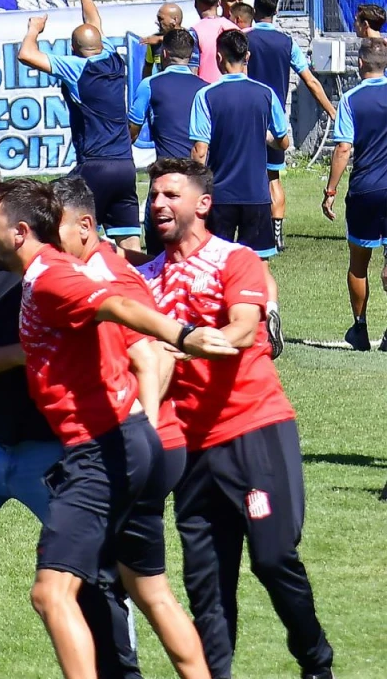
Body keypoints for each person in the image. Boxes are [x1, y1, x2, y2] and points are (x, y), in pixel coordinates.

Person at [0, 179, 231, 679]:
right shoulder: (59, 269)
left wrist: (181, 333)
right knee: (150, 589)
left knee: (51, 594)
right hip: (128, 441)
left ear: (21, 232)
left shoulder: (52, 278)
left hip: (101, 450)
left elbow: (119, 308)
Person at [0, 148, 140, 679]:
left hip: (54, 447)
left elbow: (112, 305)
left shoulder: (45, 255)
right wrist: (29, 349)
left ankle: (121, 671)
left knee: (97, 572)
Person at [136, 158, 335, 679]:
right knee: (207, 584)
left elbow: (244, 329)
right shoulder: (144, 280)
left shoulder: (235, 259)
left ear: (202, 204)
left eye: (171, 195)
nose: (158, 203)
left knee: (271, 559)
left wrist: (177, 347)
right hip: (192, 449)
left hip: (253, 431)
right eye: (154, 194)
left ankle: (315, 660)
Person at [51, 175, 208, 679]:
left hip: (137, 447)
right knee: (147, 589)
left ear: (85, 226)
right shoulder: (89, 271)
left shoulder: (108, 279)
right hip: (145, 447)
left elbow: (154, 355)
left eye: (50, 233)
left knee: (70, 586)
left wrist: (145, 426)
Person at [18, 0, 142, 251]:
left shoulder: (76, 67)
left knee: (63, 228)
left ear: (74, 49)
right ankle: (139, 285)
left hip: (95, 164)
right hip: (125, 165)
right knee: (131, 242)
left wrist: (33, 30)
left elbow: (27, 54)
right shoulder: (113, 58)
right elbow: (94, 22)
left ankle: (74, 284)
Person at [189, 28, 289, 358]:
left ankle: (222, 325)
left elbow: (200, 150)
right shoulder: (266, 94)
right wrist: (265, 141)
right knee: (260, 265)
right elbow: (282, 140)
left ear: (218, 58)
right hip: (257, 193)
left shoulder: (207, 96)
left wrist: (195, 185)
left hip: (222, 194)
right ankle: (270, 310)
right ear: (247, 57)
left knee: (217, 263)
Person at [246, 0, 339, 253]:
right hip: (274, 120)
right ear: (276, 12)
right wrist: (332, 110)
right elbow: (309, 80)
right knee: (273, 178)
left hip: (244, 117)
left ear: (254, 11)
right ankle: (276, 236)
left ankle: (249, 232)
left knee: (245, 175)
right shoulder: (287, 43)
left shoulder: (243, 40)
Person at [322, 38, 387, 351]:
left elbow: (344, 147)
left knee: (358, 262)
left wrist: (331, 189)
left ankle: (360, 330)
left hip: (365, 188)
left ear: (360, 63)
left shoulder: (350, 99)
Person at [128, 29, 209, 251]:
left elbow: (132, 129)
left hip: (164, 173)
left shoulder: (150, 84)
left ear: (164, 54)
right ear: (190, 55)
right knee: (194, 241)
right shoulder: (206, 88)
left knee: (156, 246)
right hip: (196, 174)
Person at [190, 0, 239, 84]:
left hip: (205, 91)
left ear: (195, 3)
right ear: (219, 2)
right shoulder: (235, 29)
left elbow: (192, 71)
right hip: (234, 88)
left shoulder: (194, 32)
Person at [140, 3, 199, 78]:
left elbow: (194, 69)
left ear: (174, 20)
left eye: (160, 19)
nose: (157, 22)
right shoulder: (153, 42)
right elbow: (148, 68)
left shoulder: (189, 40)